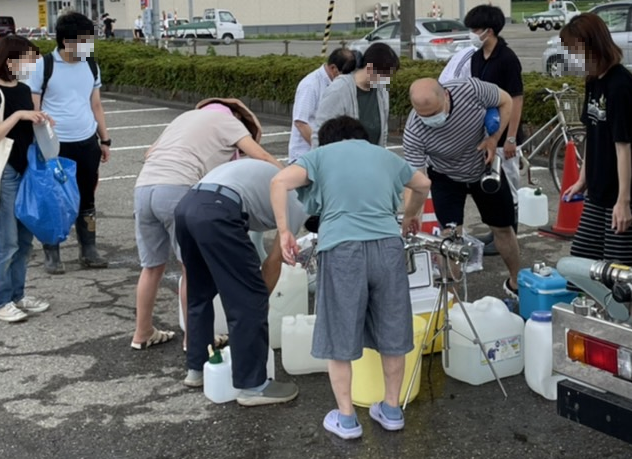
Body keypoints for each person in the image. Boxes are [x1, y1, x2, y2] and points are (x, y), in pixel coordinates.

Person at [272, 116, 430, 439]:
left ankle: (347, 419)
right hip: (388, 248)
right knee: (391, 326)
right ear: (362, 137)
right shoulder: (385, 156)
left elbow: (279, 182)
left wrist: (284, 231)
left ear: (328, 140)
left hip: (341, 249)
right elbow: (424, 184)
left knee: (339, 331)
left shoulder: (321, 156)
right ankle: (391, 409)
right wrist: (412, 215)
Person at [132, 99, 279, 352]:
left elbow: (149, 153)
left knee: (151, 267)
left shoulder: (184, 118)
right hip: (177, 188)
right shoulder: (229, 122)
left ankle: (142, 332)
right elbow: (262, 156)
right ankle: (195, 339)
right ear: (238, 117)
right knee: (192, 270)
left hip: (144, 188)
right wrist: (293, 179)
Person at [177, 157, 309, 405]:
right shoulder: (298, 202)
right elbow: (273, 262)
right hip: (218, 210)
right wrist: (259, 300)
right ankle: (253, 385)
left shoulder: (273, 178)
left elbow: (249, 241)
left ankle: (197, 368)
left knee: (199, 292)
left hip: (187, 206)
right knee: (249, 299)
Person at [559, 13, 632, 326]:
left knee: (625, 269)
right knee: (584, 262)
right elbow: (592, 133)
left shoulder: (621, 85)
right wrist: (583, 179)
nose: (573, 56)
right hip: (599, 190)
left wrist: (624, 201)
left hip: (628, 191)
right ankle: (603, 322)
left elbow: (624, 145)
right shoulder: (594, 82)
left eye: (575, 49)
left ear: (593, 45)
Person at [402, 76, 520, 294]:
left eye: (436, 113)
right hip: (445, 175)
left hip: (483, 166)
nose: (431, 120)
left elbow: (507, 101)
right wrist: (410, 214)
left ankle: (516, 281)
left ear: (446, 95)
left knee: (503, 228)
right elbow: (416, 181)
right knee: (449, 237)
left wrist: (494, 138)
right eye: (424, 116)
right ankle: (452, 298)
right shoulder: (414, 131)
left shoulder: (470, 90)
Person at [25, 11, 111, 273]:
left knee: (86, 198)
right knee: (54, 199)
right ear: (66, 41)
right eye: (84, 40)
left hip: (86, 142)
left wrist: (104, 139)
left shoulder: (90, 64)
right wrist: (38, 141)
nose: (89, 45)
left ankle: (89, 249)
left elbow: (95, 104)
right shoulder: (43, 66)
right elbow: (34, 107)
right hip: (55, 146)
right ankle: (52, 252)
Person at [0, 35, 53, 323]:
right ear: (11, 61)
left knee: (23, 240)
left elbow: (25, 127)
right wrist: (19, 114)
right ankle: (0, 301)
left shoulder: (21, 89)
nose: (31, 65)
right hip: (4, 172)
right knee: (5, 241)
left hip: (25, 170)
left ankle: (17, 296)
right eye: (27, 59)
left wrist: (38, 119)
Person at [465, 2, 524, 169]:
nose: (472, 35)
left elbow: (516, 99)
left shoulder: (507, 58)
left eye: (475, 31)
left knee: (507, 185)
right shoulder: (476, 57)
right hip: (483, 133)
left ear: (488, 31)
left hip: (504, 136)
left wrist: (510, 138)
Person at [310, 42, 398, 147]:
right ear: (370, 69)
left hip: (371, 159)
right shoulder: (339, 89)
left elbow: (382, 133)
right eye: (385, 75)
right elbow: (320, 133)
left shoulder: (382, 92)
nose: (387, 80)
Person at [290, 48, 355, 161]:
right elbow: (300, 122)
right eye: (344, 73)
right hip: (306, 156)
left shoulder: (339, 84)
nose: (347, 77)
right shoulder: (311, 85)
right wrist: (320, 147)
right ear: (333, 68)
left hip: (326, 155)